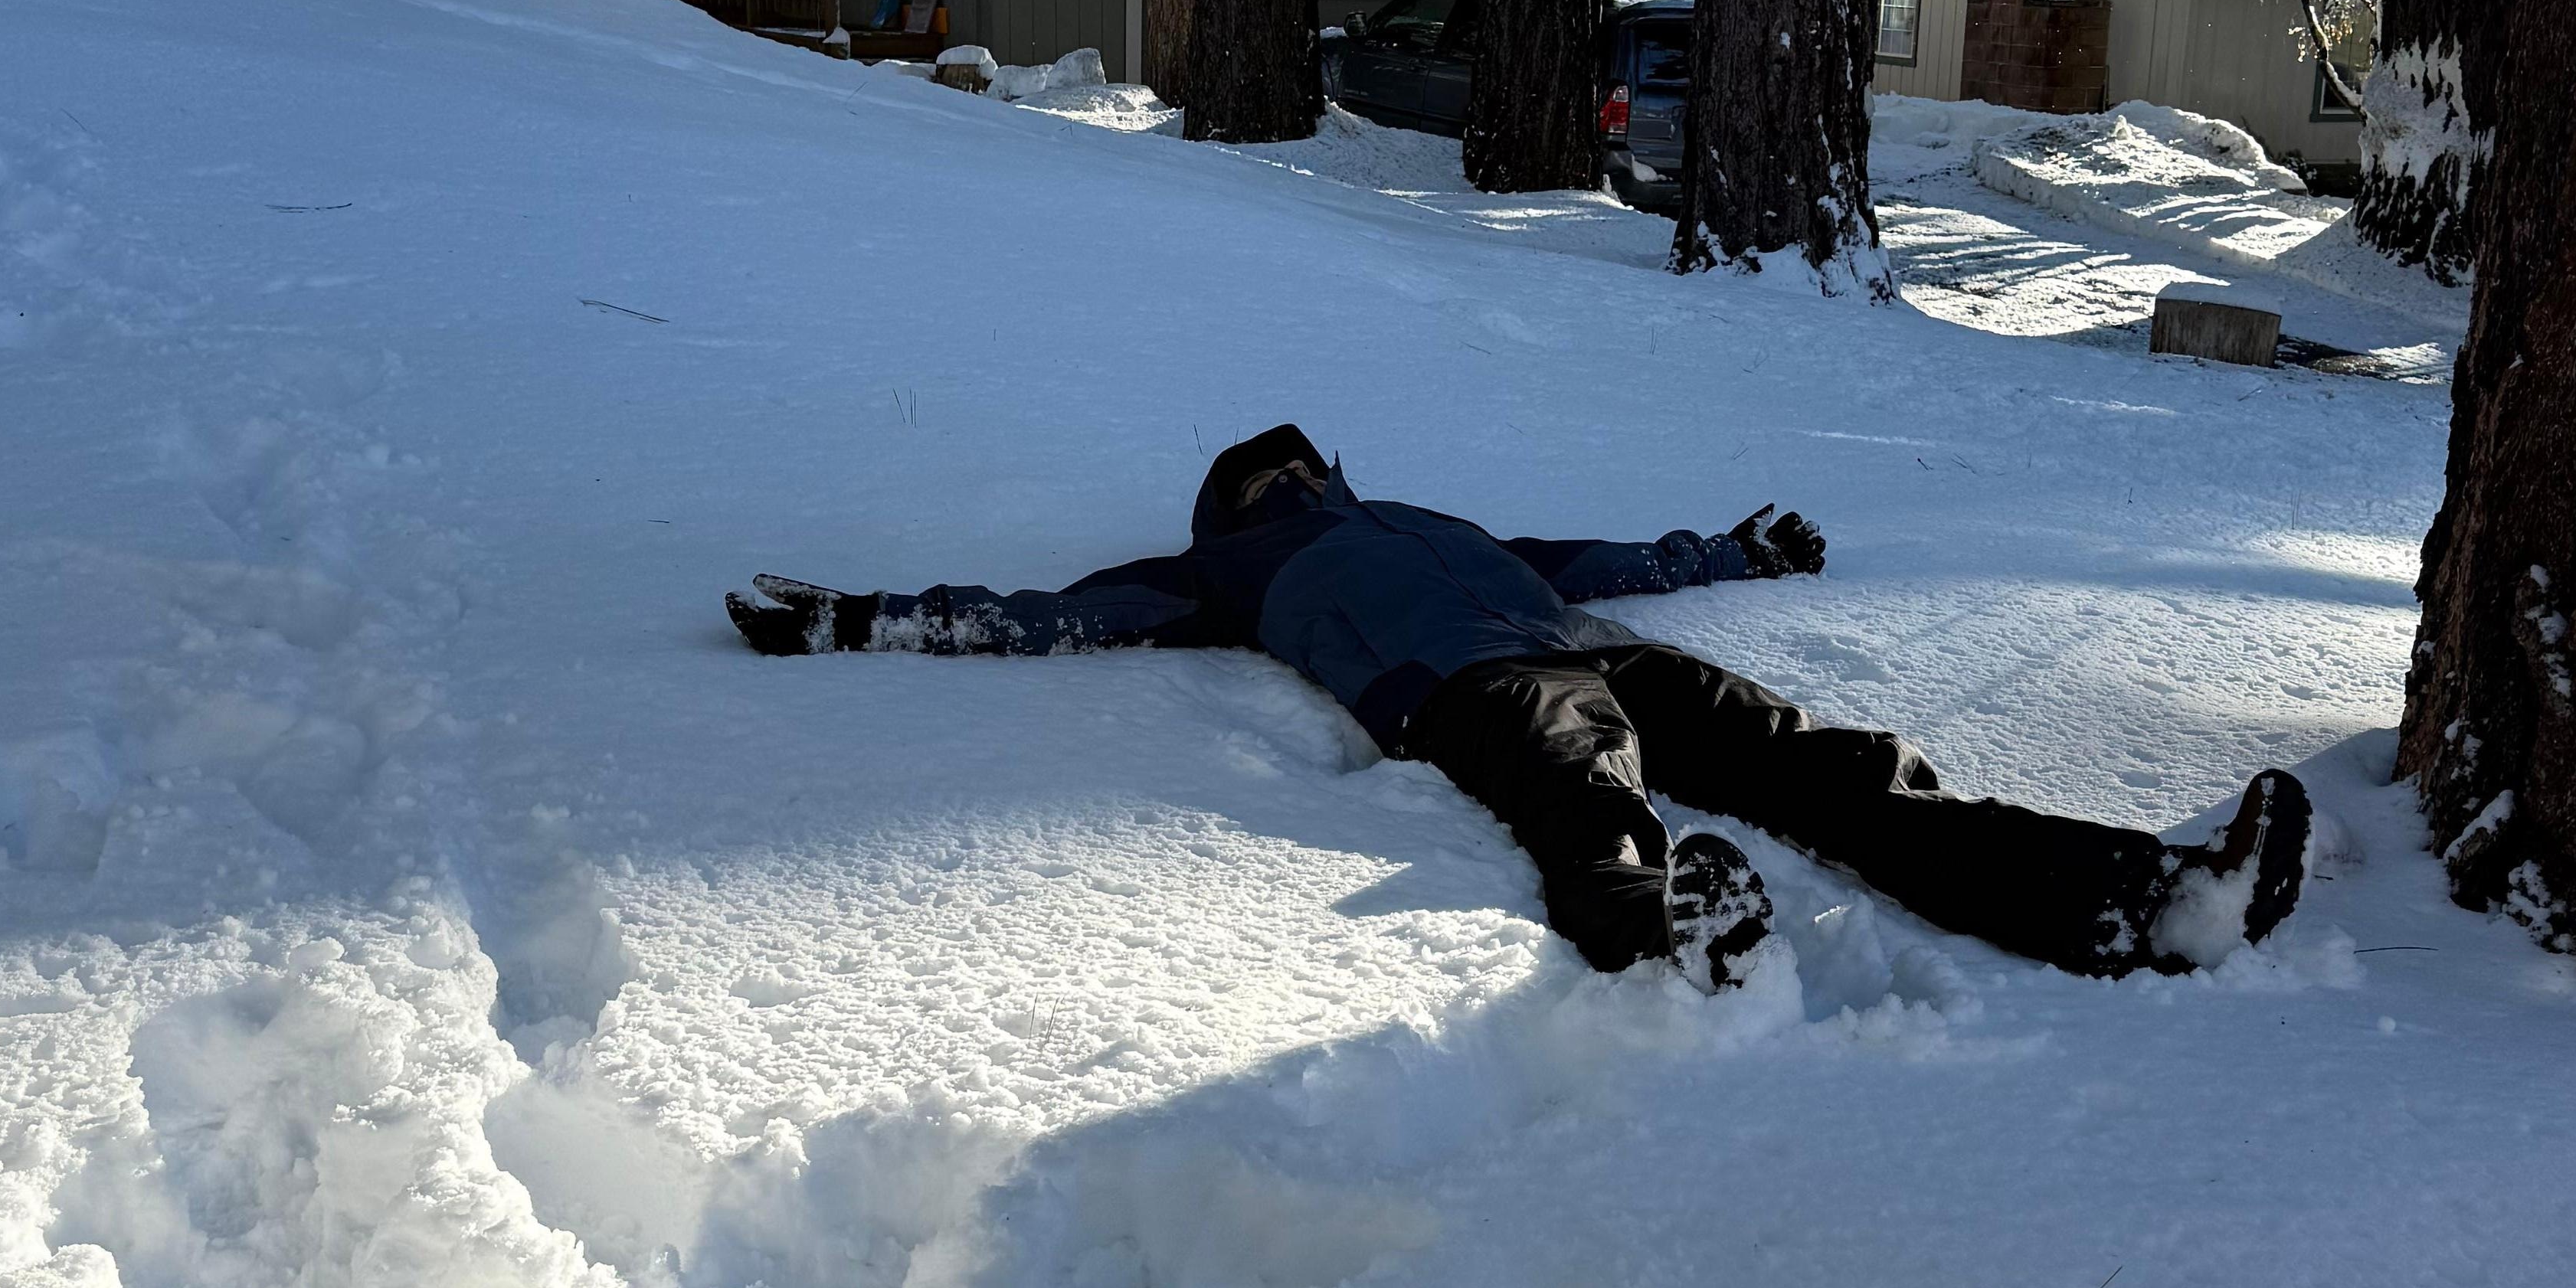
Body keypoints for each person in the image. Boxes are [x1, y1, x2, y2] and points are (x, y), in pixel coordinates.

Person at [726, 423, 2309, 989]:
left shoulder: (1434, 522)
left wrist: (1732, 552)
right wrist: (866, 619)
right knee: (1585, 808)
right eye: (1268, 474)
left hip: (1596, 642)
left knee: (1844, 774)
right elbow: (1057, 619)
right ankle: (1662, 942)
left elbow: (1607, 553)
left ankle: (2151, 905)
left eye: (1304, 460)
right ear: (1241, 510)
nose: (1297, 476)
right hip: (1470, 692)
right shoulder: (1230, 572)